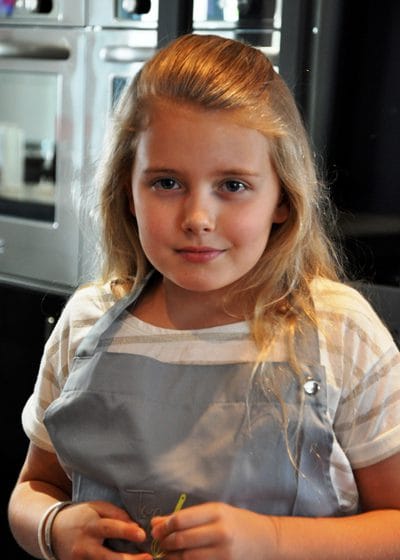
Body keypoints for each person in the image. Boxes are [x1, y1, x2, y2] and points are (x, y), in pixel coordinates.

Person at [7, 33, 400, 560]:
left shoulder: (340, 330)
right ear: (128, 191)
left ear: (282, 198)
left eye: (233, 185)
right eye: (166, 183)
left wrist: (272, 540)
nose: (197, 218)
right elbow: (34, 487)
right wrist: (53, 527)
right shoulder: (87, 321)